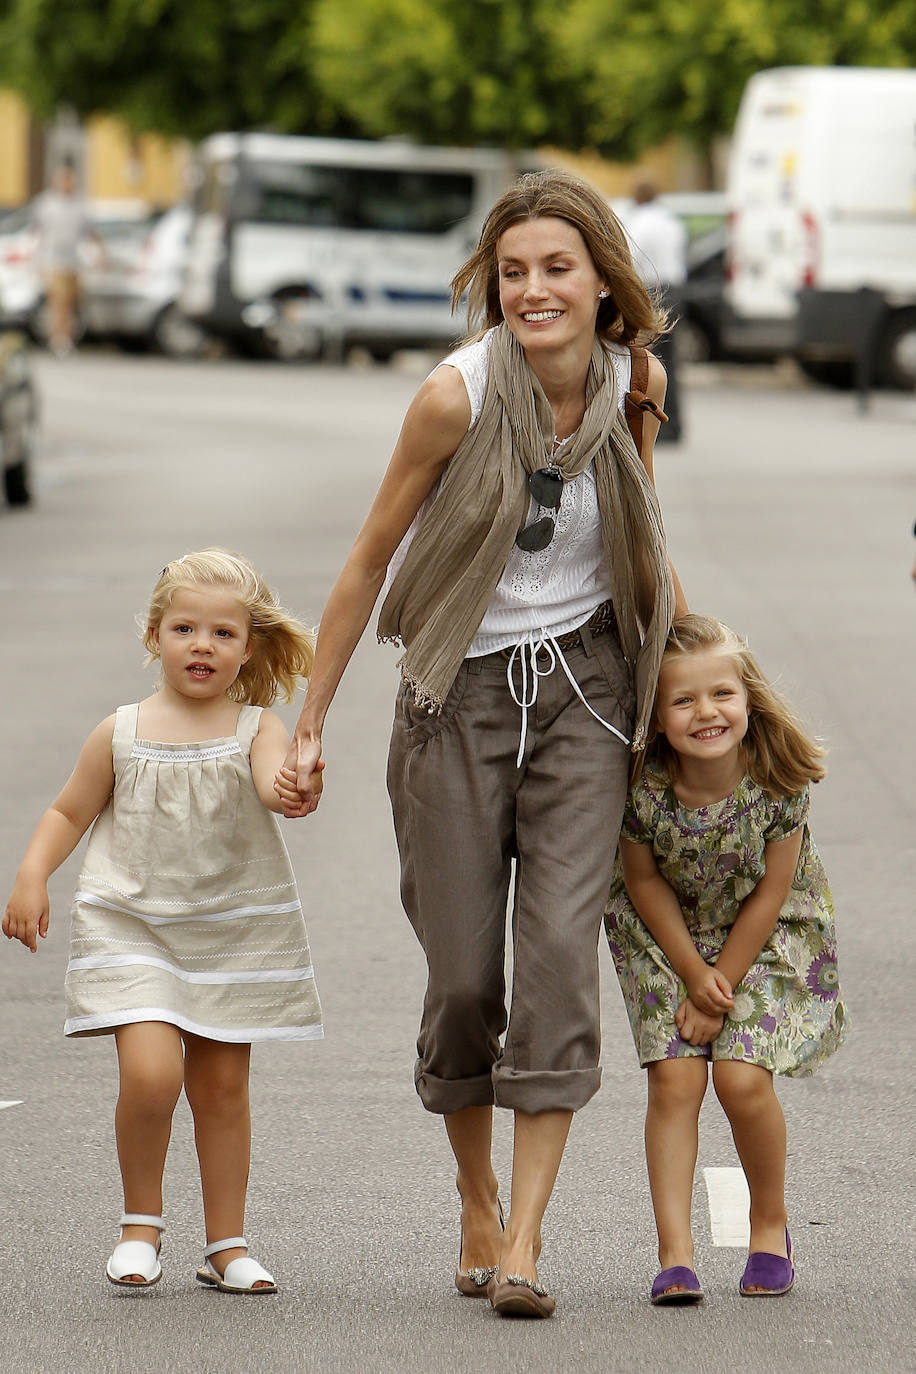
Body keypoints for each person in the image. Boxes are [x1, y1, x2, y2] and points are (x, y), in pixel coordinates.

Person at [278, 169, 687, 1319]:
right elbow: (369, 561)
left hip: (588, 696)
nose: (533, 290)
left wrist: (687, 692)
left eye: (557, 268)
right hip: (453, 696)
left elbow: (643, 537)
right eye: (513, 272)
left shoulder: (635, 379)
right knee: (464, 979)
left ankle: (524, 1239)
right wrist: (307, 721)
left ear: (603, 278)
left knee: (558, 960)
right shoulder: (452, 398)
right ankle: (473, 1195)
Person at [2, 549, 323, 1294]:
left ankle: (226, 1245)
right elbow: (68, 811)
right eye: (184, 628)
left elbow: (277, 789)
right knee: (150, 1078)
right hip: (131, 921)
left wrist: (298, 784)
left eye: (221, 633)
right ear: (155, 635)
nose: (202, 645)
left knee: (220, 1089)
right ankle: (139, 1226)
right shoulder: (119, 731)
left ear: (249, 646)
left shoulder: (255, 728)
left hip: (228, 927)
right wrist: (30, 875)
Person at [604, 614, 846, 1305]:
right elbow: (642, 881)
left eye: (721, 695)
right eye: (683, 701)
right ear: (655, 717)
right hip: (665, 935)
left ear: (749, 699)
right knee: (676, 1083)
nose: (706, 712)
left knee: (741, 1081)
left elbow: (775, 890)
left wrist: (723, 983)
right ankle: (675, 1254)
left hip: (763, 936)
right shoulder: (641, 786)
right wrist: (691, 973)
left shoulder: (777, 778)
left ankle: (768, 1224)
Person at [621, 178, 688, 443]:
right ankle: (676, 425)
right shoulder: (671, 220)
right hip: (676, 289)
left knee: (652, 364)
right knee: (673, 362)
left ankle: (656, 424)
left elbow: (632, 260)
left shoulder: (639, 222)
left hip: (653, 291)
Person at [31, 160, 100, 357]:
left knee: (72, 302)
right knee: (58, 302)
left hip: (74, 260)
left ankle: (66, 337)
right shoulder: (46, 205)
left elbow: (91, 232)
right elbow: (36, 233)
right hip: (53, 260)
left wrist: (99, 255)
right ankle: (58, 339)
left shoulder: (79, 205)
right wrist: (35, 261)